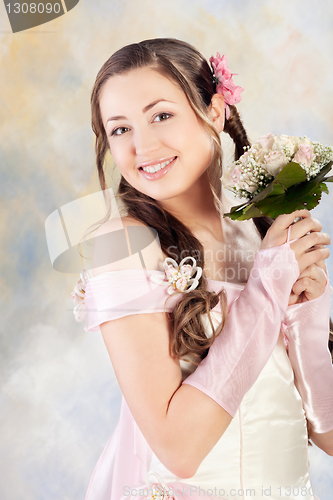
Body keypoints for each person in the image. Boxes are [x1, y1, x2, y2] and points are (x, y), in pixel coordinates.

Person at [74, 38, 333, 500]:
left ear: (214, 111)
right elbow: (179, 448)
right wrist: (268, 288)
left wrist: (307, 317)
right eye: (119, 129)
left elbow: (328, 437)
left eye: (161, 115)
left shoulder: (262, 231)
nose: (143, 146)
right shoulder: (126, 244)